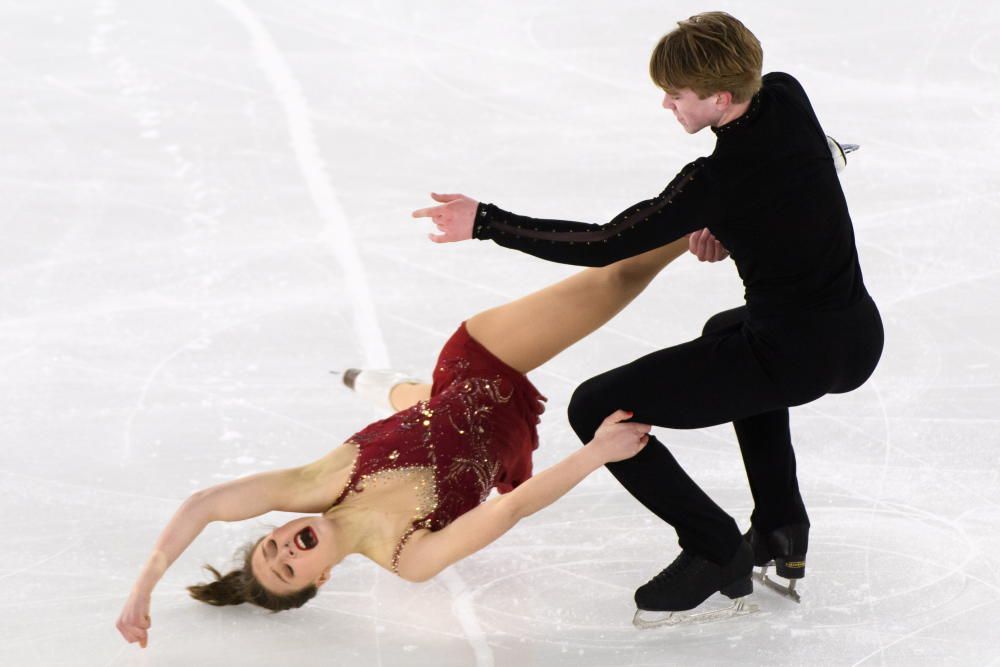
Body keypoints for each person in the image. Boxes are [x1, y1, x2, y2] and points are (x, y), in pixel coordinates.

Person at [412, 11, 884, 626]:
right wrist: (734, 226)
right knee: (726, 331)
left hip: (793, 355)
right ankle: (780, 528)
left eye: (677, 94)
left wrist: (486, 222)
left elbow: (607, 243)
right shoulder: (787, 96)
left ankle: (714, 547)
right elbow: (808, 167)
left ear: (719, 97)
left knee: (595, 406)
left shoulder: (715, 180)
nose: (666, 103)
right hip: (856, 335)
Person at [115, 238, 703, 648]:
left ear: (274, 527)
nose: (285, 553)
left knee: (614, 279)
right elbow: (511, 507)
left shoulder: (315, 483)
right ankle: (383, 386)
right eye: (290, 569)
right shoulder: (409, 558)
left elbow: (202, 504)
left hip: (477, 364)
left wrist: (142, 590)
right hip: (488, 428)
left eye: (272, 549)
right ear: (319, 580)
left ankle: (707, 220)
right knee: (421, 407)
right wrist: (595, 452)